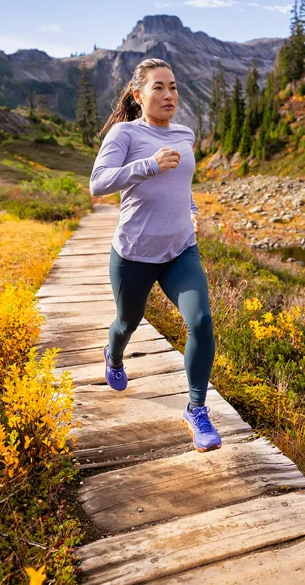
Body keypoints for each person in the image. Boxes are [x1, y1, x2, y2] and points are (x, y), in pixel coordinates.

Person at [88, 58, 221, 452]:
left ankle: (196, 409)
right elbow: (98, 183)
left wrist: (192, 211)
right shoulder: (124, 135)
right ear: (138, 94)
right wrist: (148, 164)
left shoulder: (185, 133)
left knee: (200, 321)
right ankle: (113, 355)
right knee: (128, 322)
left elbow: (182, 183)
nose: (169, 95)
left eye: (174, 87)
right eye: (159, 87)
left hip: (180, 250)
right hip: (133, 254)